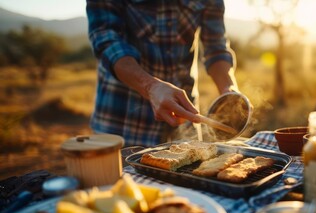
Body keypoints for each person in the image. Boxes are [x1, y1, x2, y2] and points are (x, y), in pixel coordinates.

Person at [86, 0, 238, 147]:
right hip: (122, 123)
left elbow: (216, 47)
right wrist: (151, 87)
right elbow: (107, 41)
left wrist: (228, 88)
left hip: (184, 118)